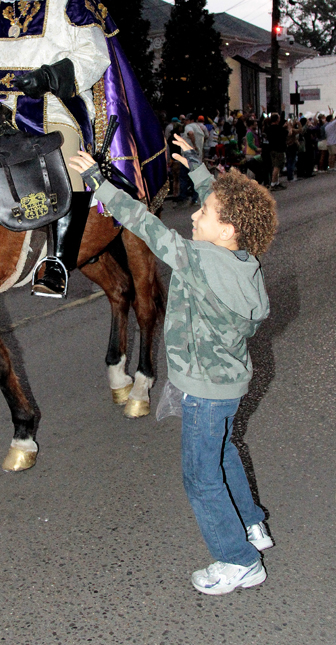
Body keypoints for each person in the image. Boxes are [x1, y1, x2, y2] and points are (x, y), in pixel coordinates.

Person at [69, 131, 278, 596]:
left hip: (204, 391)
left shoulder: (199, 261)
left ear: (226, 230)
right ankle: (252, 525)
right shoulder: (243, 258)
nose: (195, 214)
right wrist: (199, 171)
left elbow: (146, 226)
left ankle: (239, 560)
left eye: (204, 213)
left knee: (201, 478)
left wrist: (100, 184)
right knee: (224, 452)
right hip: (227, 385)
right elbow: (224, 210)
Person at [0, 0, 167, 297]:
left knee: (68, 158)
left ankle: (56, 263)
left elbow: (94, 54)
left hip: (51, 104)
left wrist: (51, 76)